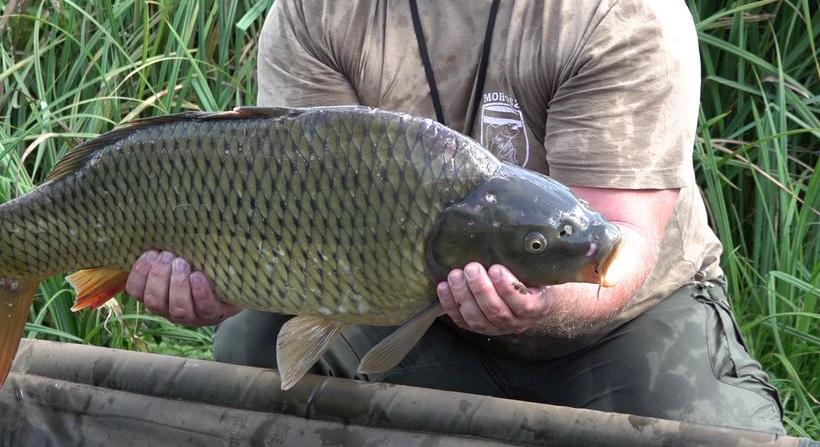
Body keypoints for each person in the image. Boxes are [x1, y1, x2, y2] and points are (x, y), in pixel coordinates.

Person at [124, 0, 784, 433]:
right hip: (402, 297)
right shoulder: (315, 11)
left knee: (725, 433)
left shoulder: (619, 13)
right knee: (253, 340)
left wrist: (541, 299)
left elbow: (619, 246)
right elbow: (292, 208)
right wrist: (223, 279)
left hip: (620, 323)